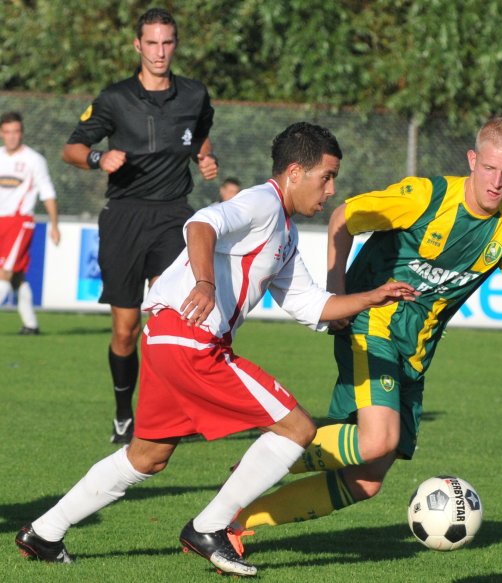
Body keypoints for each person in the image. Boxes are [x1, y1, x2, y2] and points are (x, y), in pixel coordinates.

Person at [15, 122, 418, 576]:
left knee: (148, 456)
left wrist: (372, 296)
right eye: (326, 177)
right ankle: (209, 527)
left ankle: (44, 532)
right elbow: (203, 222)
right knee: (298, 427)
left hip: (168, 337)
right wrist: (205, 282)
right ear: (293, 172)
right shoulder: (263, 202)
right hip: (194, 342)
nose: (331, 190)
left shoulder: (282, 232)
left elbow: (309, 304)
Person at [227, 117, 502, 551]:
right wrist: (337, 292)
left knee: (366, 479)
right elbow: (343, 217)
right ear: (473, 160)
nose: (497, 182)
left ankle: (238, 519)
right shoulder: (426, 197)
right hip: (373, 320)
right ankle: (261, 460)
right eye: (490, 168)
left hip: (414, 351)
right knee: (379, 437)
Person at [62, 8, 218, 444]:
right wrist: (98, 158)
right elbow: (71, 148)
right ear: (138, 46)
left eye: (167, 42)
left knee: (173, 320)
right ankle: (122, 413)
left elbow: (199, 133)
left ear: (176, 44)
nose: (160, 52)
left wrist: (205, 157)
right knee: (126, 329)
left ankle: (176, 412)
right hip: (124, 216)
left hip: (173, 215)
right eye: (152, 43)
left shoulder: (194, 94)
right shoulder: (114, 98)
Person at [0, 111, 60, 334]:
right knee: (16, 276)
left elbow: (47, 192)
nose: (12, 136)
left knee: (4, 272)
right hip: (0, 221)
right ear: (1, 134)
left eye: (16, 132)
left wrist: (54, 224)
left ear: (22, 133)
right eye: (7, 132)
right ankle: (31, 325)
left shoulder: (34, 160)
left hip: (19, 222)